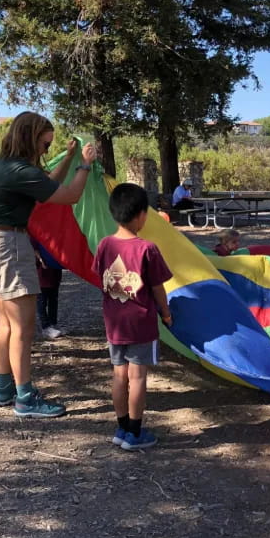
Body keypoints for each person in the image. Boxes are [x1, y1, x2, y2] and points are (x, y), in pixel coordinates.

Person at [0, 111, 96, 418]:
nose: (46, 151)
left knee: (6, 323)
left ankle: (4, 390)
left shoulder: (1, 165)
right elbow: (70, 196)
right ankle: (25, 398)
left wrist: (67, 158)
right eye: (44, 145)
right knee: (24, 328)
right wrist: (85, 164)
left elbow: (45, 187)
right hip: (7, 247)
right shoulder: (18, 169)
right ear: (30, 137)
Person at [92, 183, 173, 451]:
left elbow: (100, 277)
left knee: (119, 376)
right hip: (140, 324)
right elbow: (158, 287)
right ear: (140, 215)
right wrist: (166, 313)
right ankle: (135, 434)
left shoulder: (104, 245)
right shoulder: (146, 249)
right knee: (137, 378)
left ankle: (122, 427)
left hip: (114, 325)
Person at [31, 237, 65, 340]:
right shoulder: (35, 231)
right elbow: (33, 246)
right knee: (42, 300)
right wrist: (40, 258)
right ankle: (45, 326)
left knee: (53, 298)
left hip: (54, 269)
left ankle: (53, 324)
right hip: (41, 269)